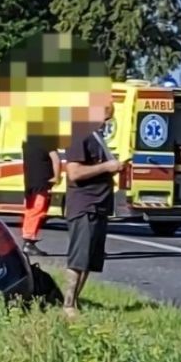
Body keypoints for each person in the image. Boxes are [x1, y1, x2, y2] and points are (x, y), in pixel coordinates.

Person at [62, 104, 122, 318]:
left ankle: (75, 302)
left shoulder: (96, 136)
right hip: (85, 205)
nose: (106, 123)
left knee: (89, 259)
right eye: (105, 118)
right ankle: (67, 305)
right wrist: (107, 167)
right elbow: (75, 172)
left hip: (99, 205)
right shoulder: (79, 135)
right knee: (79, 257)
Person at [21, 135, 62, 256]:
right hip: (42, 181)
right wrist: (57, 177)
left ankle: (27, 239)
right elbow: (56, 160)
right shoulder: (47, 139)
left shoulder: (27, 140)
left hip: (30, 182)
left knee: (31, 210)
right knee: (38, 210)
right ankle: (28, 242)